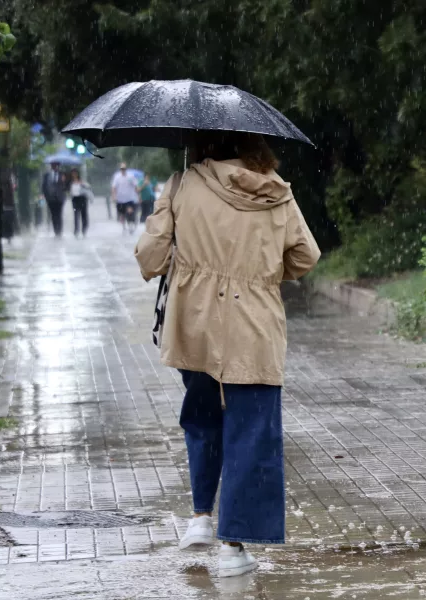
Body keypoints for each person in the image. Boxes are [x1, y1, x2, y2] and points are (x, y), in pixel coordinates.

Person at [134, 133, 320, 578]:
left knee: (202, 418)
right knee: (250, 432)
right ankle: (233, 548)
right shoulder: (276, 192)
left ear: (202, 144)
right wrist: (260, 272)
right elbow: (305, 256)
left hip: (194, 323)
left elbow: (150, 258)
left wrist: (183, 242)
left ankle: (200, 516)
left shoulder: (182, 184)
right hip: (254, 326)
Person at [111, 163, 138, 232]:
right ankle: (124, 226)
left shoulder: (130, 176)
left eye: (124, 169)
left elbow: (135, 186)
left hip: (129, 198)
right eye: (121, 169)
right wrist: (114, 196)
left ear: (126, 169)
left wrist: (138, 195)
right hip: (120, 199)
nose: (123, 170)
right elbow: (114, 187)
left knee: (129, 212)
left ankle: (131, 223)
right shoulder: (117, 177)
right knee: (122, 214)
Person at [42, 162, 66, 237]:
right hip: (50, 198)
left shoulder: (62, 174)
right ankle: (56, 230)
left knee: (59, 214)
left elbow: (66, 186)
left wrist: (64, 181)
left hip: (60, 198)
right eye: (53, 165)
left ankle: (59, 231)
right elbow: (44, 186)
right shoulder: (47, 175)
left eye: (56, 165)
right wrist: (46, 196)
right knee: (53, 215)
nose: (55, 167)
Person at [69, 169, 91, 238]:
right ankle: (76, 230)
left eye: (75, 173)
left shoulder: (82, 181)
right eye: (73, 173)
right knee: (76, 215)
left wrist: (82, 184)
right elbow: (69, 190)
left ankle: (84, 229)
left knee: (84, 215)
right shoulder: (70, 182)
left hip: (82, 199)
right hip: (75, 200)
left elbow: (88, 187)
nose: (74, 175)